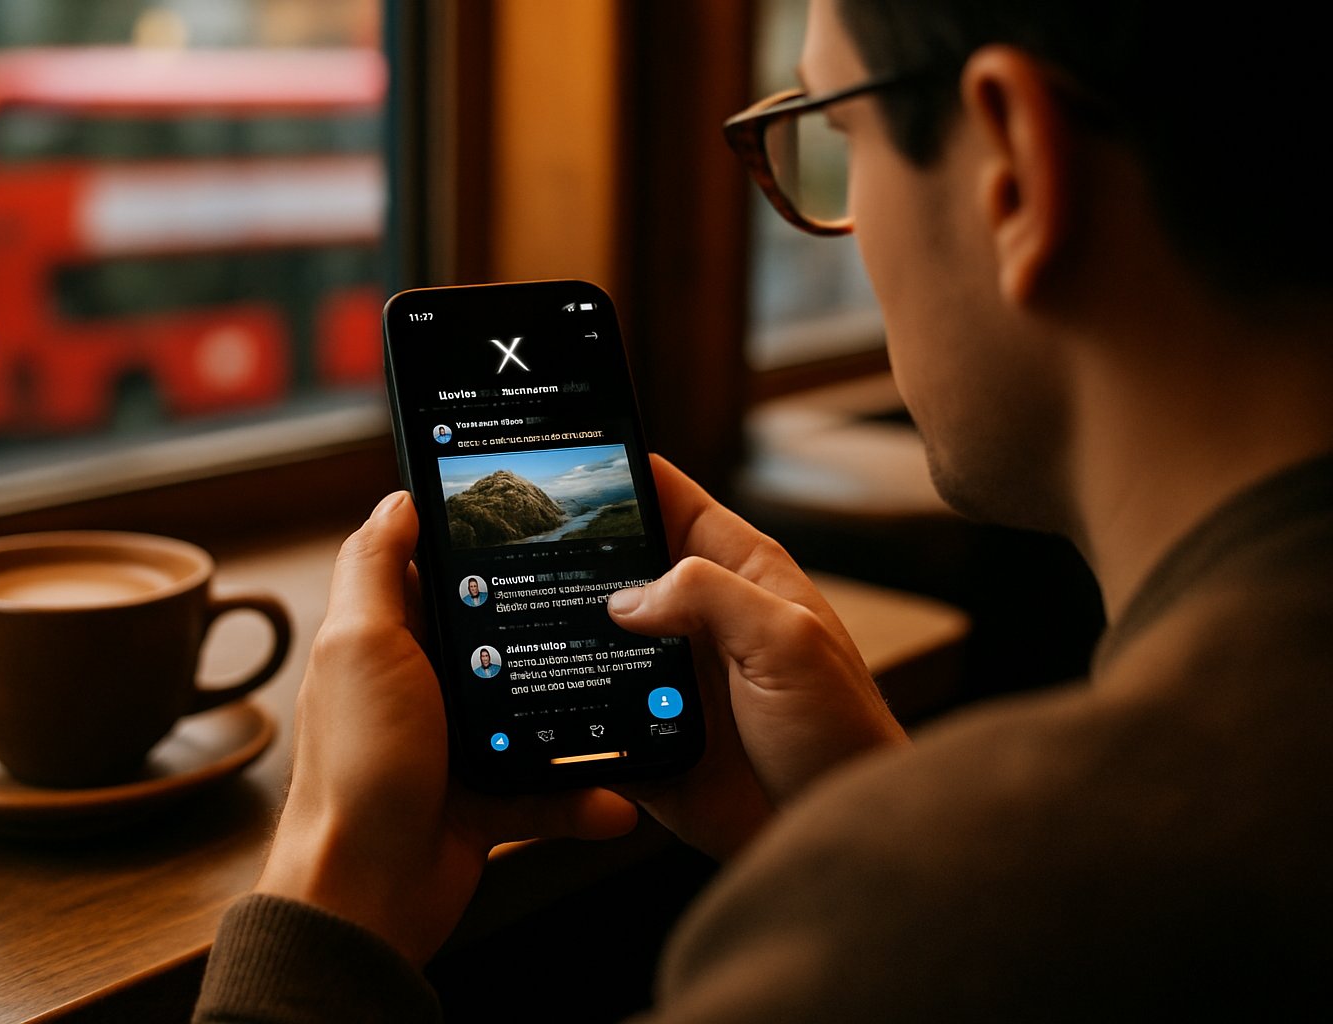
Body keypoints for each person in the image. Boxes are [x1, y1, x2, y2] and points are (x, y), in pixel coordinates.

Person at [195, 0, 1333, 1018]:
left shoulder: (975, 930)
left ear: (1013, 167)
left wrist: (319, 902)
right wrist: (872, 818)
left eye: (837, 132)